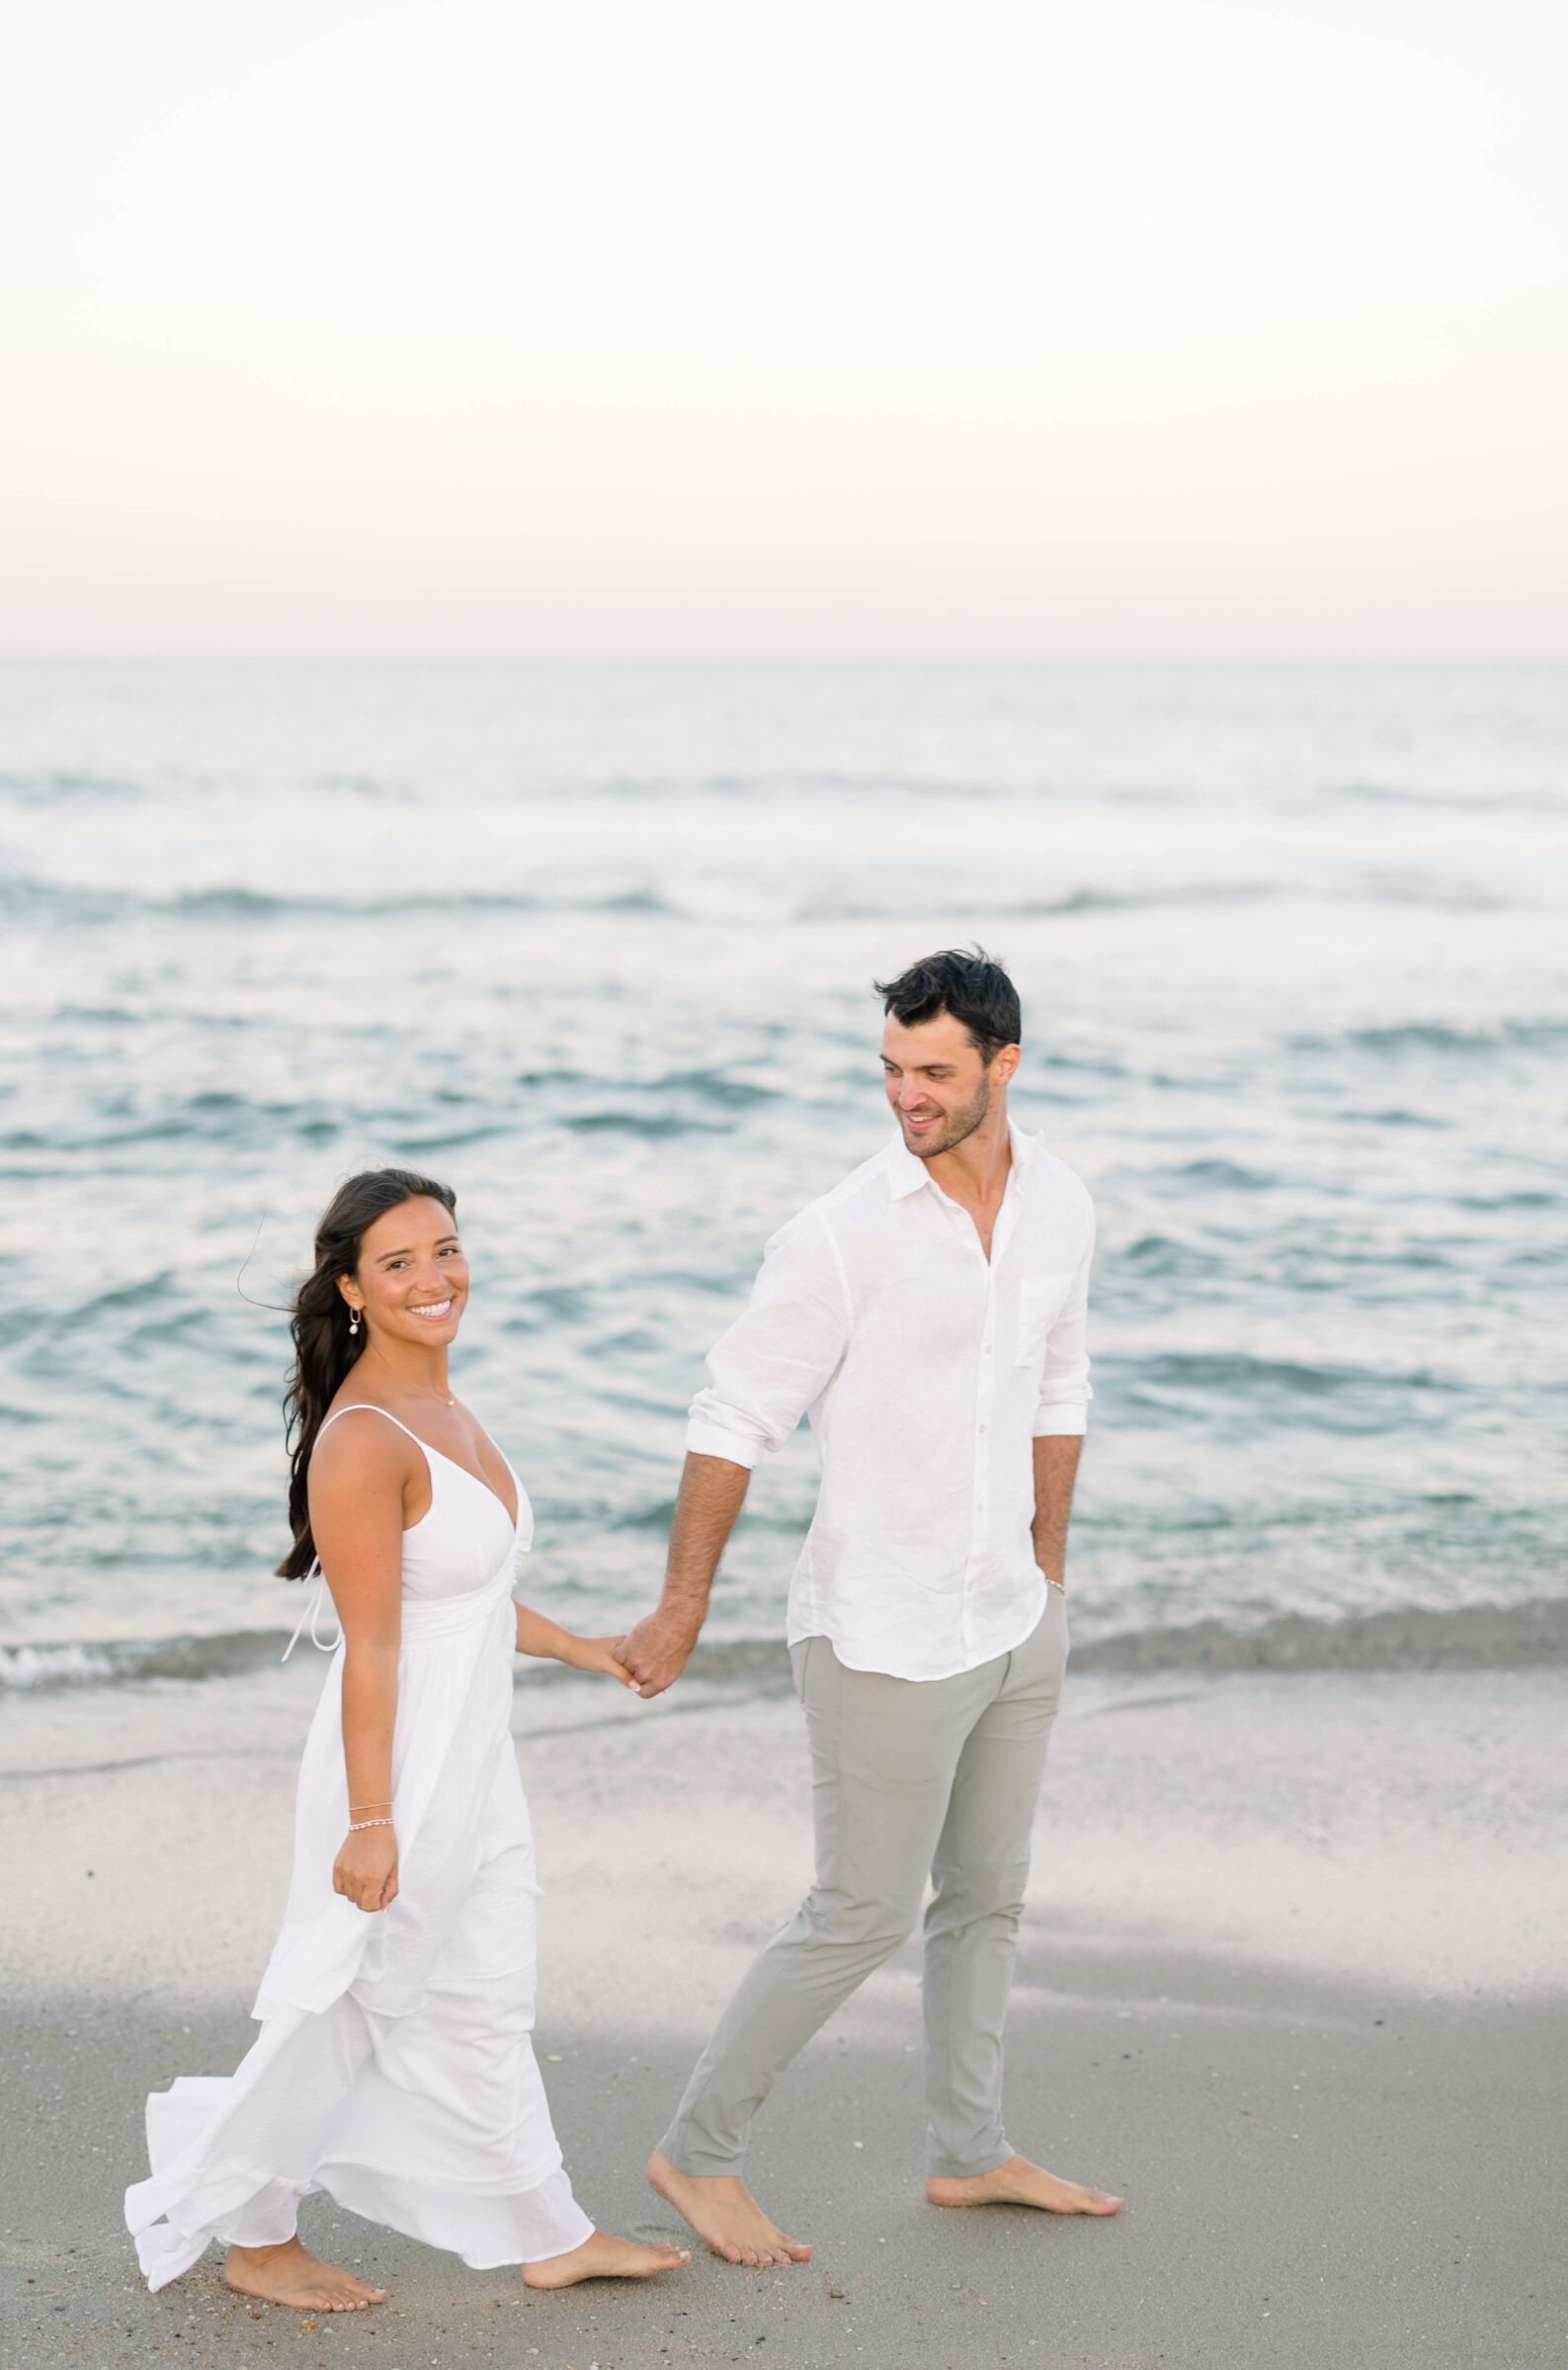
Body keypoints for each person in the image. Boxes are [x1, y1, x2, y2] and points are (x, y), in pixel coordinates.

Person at [619, 948, 1119, 2268]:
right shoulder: (840, 1232)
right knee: (859, 1908)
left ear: (1001, 1066)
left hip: (1011, 1613)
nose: (905, 1093)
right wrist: (680, 1609)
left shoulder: (1059, 1203)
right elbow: (731, 1419)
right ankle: (697, 2154)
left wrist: (1047, 1564)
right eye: (890, 1069)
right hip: (881, 1630)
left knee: (986, 1899)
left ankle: (969, 2154)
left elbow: (1059, 1381)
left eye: (933, 1071)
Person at [126, 1168, 688, 2312]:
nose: (435, 1277)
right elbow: (374, 1648)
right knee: (352, 1996)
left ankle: (546, 2226)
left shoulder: (450, 1409)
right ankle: (251, 2228)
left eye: (447, 1249)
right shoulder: (362, 1440)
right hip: (398, 1768)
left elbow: (468, 1602)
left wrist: (593, 1648)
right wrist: (372, 1822)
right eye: (399, 1263)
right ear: (352, 1291)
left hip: (476, 1757)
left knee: (485, 1987)